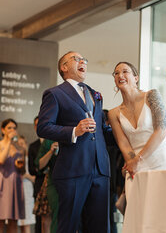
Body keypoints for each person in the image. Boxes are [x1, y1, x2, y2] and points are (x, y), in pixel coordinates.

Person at [37, 51, 110, 233]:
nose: (82, 62)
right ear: (64, 67)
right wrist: (74, 131)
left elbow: (101, 130)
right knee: (68, 226)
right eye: (77, 59)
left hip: (100, 170)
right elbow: (44, 127)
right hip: (73, 169)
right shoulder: (55, 94)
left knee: (99, 227)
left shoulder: (95, 94)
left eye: (84, 59)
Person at [108, 62, 166, 178]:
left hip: (161, 162)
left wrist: (138, 159)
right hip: (136, 167)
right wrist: (132, 163)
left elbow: (160, 131)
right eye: (116, 73)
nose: (120, 75)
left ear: (136, 78)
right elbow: (123, 143)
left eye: (125, 71)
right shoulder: (113, 113)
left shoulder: (151, 96)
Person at [0, 119, 26, 233]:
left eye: (14, 128)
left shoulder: (20, 148)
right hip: (1, 182)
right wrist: (9, 142)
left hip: (15, 182)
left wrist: (20, 166)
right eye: (9, 128)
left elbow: (24, 170)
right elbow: (0, 160)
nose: (12, 130)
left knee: (13, 221)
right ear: (3, 130)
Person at [35, 140, 59, 233]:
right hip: (55, 182)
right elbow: (39, 165)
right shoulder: (49, 141)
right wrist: (51, 151)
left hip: (76, 180)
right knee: (56, 215)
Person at [28, 116, 44, 233]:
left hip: (55, 184)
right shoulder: (33, 146)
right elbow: (32, 170)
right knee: (39, 219)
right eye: (37, 124)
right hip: (39, 185)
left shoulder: (57, 142)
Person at [18, 136, 36, 233]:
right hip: (16, 191)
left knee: (26, 221)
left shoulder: (29, 159)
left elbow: (35, 178)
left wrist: (26, 176)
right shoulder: (15, 159)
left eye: (22, 144)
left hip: (27, 190)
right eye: (18, 144)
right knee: (16, 221)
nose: (20, 146)